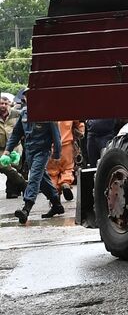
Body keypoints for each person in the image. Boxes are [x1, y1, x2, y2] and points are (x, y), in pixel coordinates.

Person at [5, 89, 64, 224]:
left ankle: (26, 208)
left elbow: (56, 135)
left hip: (42, 150)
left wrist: (57, 154)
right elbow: (16, 133)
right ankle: (56, 204)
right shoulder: (24, 113)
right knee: (42, 179)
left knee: (34, 177)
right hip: (30, 151)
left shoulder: (47, 113)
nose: (28, 99)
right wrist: (8, 150)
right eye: (26, 97)